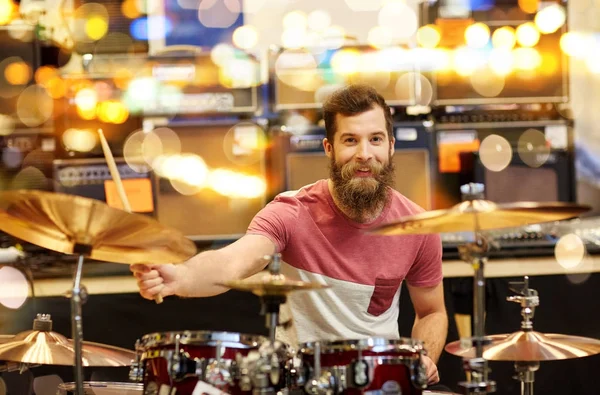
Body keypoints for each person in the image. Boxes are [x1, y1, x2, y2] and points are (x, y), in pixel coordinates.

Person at [131, 84, 448, 386]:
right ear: (329, 148)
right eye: (350, 140)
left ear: (391, 146)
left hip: (380, 383)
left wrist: (425, 357)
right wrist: (179, 276)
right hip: (301, 381)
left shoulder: (418, 227)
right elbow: (232, 263)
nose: (365, 153)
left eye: (376, 139)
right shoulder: (291, 212)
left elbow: (432, 312)